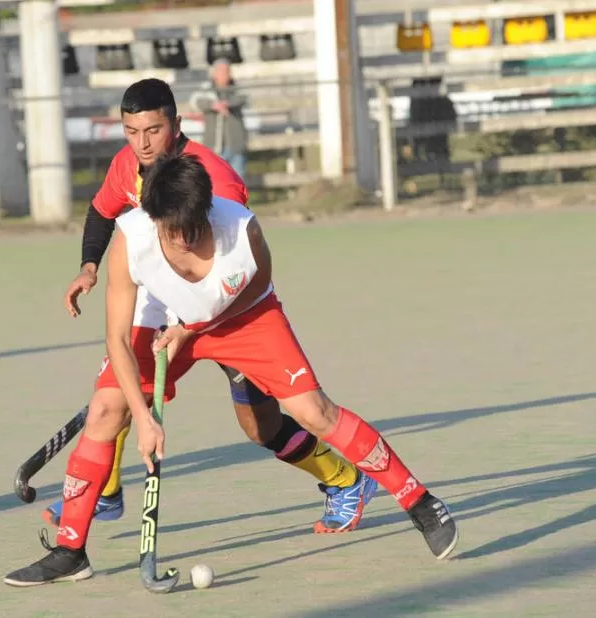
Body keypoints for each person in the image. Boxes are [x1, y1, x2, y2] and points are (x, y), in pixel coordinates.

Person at [3, 152, 458, 587]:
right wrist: (143, 419)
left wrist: (194, 328)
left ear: (209, 210)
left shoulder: (241, 232)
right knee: (106, 410)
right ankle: (70, 551)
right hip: (163, 316)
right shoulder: (132, 237)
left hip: (242, 317)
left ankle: (420, 501)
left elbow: (257, 286)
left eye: (193, 227)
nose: (183, 239)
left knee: (313, 412)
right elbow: (117, 339)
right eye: (171, 229)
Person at [47, 78, 376, 536]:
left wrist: (191, 321)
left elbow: (234, 262)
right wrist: (88, 267)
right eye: (131, 132)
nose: (141, 144)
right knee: (117, 396)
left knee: (261, 428)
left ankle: (346, 480)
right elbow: (103, 212)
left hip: (227, 311)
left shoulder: (215, 178)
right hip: (163, 304)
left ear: (176, 125)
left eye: (152, 131)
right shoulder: (128, 164)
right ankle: (101, 494)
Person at [189, 58, 249, 177]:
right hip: (214, 146)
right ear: (214, 73)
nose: (224, 74)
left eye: (226, 71)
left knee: (237, 184)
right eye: (221, 71)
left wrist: (226, 104)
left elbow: (244, 99)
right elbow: (195, 101)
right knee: (215, 184)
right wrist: (213, 105)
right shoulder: (206, 89)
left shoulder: (237, 88)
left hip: (235, 145)